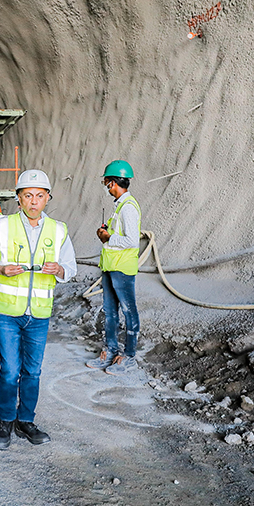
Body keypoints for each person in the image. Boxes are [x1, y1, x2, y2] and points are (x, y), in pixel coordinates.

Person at [0, 169, 77, 447]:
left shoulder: (58, 230)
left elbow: (70, 268)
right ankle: (6, 421)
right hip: (8, 312)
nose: (34, 201)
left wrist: (59, 269)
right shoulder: (4, 225)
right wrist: (0, 268)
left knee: (32, 371)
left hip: (39, 314)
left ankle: (26, 421)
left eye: (39, 196)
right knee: (10, 370)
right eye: (27, 196)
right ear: (18, 199)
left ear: (48, 198)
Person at [86, 160, 142, 376]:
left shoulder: (128, 208)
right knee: (110, 313)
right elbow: (114, 237)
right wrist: (105, 233)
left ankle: (129, 356)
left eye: (106, 183)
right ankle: (110, 351)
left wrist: (108, 237)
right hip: (111, 267)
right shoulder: (119, 207)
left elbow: (132, 241)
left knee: (128, 311)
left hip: (122, 269)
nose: (106, 187)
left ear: (111, 183)